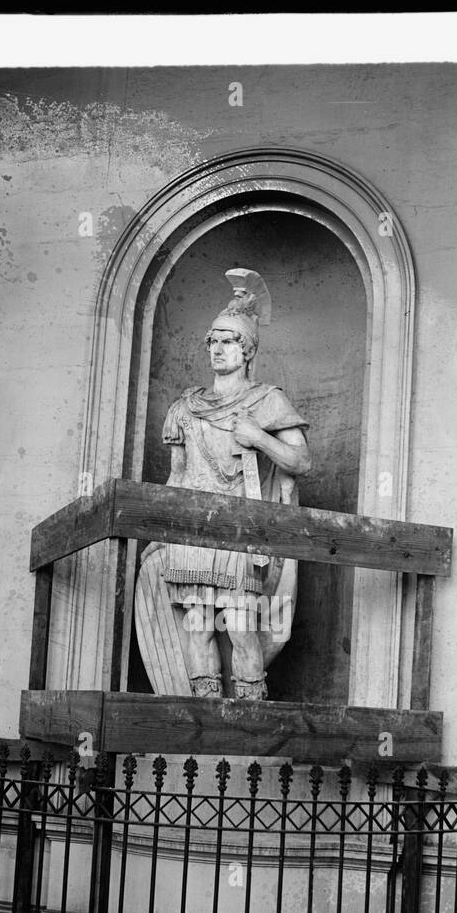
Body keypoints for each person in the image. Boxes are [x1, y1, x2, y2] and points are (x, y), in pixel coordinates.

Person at [155, 271, 311, 700]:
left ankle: (251, 729)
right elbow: (177, 476)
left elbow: (301, 461)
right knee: (198, 627)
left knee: (242, 628)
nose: (217, 349)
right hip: (191, 531)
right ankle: (205, 721)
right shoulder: (185, 407)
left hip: (241, 532)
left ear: (247, 350)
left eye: (228, 341)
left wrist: (259, 437)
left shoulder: (266, 400)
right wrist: (158, 534)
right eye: (212, 341)